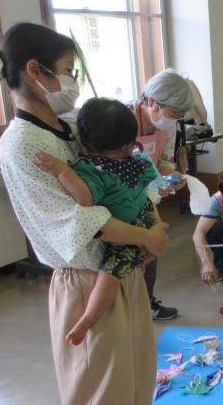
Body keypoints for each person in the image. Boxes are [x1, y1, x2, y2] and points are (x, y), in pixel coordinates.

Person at [0, 22, 167, 405]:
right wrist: (148, 236)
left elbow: (111, 181)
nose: (72, 81)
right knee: (97, 390)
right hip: (85, 276)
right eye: (66, 71)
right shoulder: (21, 144)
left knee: (136, 365)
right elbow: (84, 220)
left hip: (118, 269)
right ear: (34, 72)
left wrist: (148, 215)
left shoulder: (65, 129)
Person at [35, 98, 161, 346]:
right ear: (127, 144)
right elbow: (149, 188)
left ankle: (89, 318)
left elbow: (84, 198)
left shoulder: (91, 170)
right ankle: (141, 260)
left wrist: (63, 172)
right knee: (139, 260)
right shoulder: (137, 161)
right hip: (144, 217)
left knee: (109, 278)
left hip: (127, 231)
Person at [132, 69, 195, 321]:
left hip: (145, 199)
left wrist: (172, 177)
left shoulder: (166, 129)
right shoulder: (121, 121)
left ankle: (147, 302)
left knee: (153, 245)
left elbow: (164, 162)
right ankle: (128, 309)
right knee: (128, 256)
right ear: (151, 102)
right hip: (120, 198)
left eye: (180, 116)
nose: (175, 120)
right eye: (172, 113)